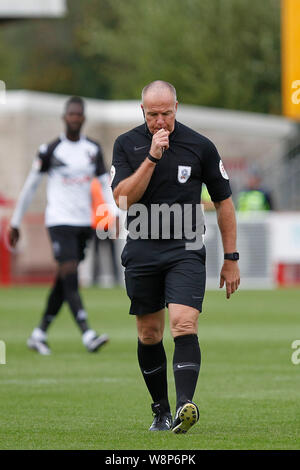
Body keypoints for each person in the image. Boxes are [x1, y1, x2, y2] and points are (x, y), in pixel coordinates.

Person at [111, 80, 240, 434]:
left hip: (184, 249)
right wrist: (152, 156)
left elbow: (224, 202)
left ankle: (185, 405)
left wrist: (231, 256)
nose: (160, 121)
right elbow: (123, 201)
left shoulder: (201, 146)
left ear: (176, 108)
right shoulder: (126, 144)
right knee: (149, 333)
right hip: (141, 248)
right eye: (153, 115)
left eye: (166, 113)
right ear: (143, 112)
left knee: (183, 322)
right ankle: (160, 411)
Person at [8, 96, 118, 355]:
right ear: (64, 117)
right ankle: (87, 332)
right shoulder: (50, 150)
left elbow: (105, 184)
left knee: (63, 279)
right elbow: (30, 187)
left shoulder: (92, 149)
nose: (75, 118)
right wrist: (15, 222)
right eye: (71, 114)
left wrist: (113, 212)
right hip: (58, 221)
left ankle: (39, 333)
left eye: (79, 114)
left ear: (84, 118)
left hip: (84, 223)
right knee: (70, 273)